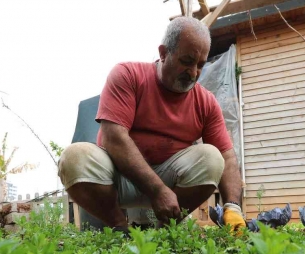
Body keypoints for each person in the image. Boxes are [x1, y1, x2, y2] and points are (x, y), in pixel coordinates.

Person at [58, 17, 246, 233]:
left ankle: (164, 231)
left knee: (213, 157)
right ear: (164, 53)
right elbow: (113, 137)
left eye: (200, 65)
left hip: (170, 180)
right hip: (118, 176)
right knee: (74, 157)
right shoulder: (128, 75)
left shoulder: (206, 101)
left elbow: (227, 155)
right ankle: (119, 227)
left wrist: (232, 207)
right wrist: (157, 191)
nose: (194, 73)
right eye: (187, 61)